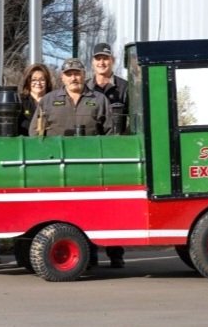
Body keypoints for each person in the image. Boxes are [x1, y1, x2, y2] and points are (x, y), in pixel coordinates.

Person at [88, 42, 130, 268]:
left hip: (116, 152)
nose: (101, 62)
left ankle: (116, 253)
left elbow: (134, 118)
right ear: (92, 62)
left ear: (112, 60)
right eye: (97, 59)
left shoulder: (124, 87)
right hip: (91, 153)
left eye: (105, 58)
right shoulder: (85, 87)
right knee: (91, 206)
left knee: (114, 206)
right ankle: (91, 254)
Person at [29, 58, 112, 137]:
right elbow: (35, 131)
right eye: (69, 75)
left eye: (77, 74)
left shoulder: (100, 99)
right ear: (62, 77)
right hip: (56, 151)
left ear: (84, 75)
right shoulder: (48, 100)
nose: (73, 78)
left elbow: (110, 132)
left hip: (90, 150)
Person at [19, 63, 54, 134]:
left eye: (42, 80)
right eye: (34, 80)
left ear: (47, 82)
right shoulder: (20, 101)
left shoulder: (54, 100)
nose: (38, 83)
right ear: (28, 82)